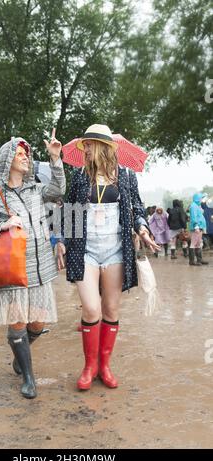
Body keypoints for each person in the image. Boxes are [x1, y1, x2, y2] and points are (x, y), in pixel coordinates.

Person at [57, 124, 159, 391]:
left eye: (89, 144)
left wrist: (143, 229)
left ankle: (104, 366)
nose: (85, 149)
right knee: (92, 308)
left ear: (102, 146)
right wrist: (61, 241)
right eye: (84, 145)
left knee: (111, 309)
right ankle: (89, 367)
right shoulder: (80, 176)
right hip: (86, 251)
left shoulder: (124, 176)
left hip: (115, 251)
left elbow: (137, 207)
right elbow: (70, 211)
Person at [0, 129, 66, 399]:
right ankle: (28, 376)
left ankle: (19, 355)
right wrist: (3, 224)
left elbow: (59, 189)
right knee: (17, 322)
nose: (26, 158)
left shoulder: (36, 188)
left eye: (27, 154)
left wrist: (55, 159)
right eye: (20, 154)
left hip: (40, 267)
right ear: (7, 160)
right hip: (11, 268)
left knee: (36, 323)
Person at [188, 193, 208, 266]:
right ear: (197, 198)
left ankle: (200, 260)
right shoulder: (193, 206)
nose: (202, 199)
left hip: (200, 226)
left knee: (198, 243)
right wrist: (196, 225)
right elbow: (194, 217)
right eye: (201, 198)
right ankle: (192, 261)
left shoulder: (197, 205)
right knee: (193, 243)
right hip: (196, 227)